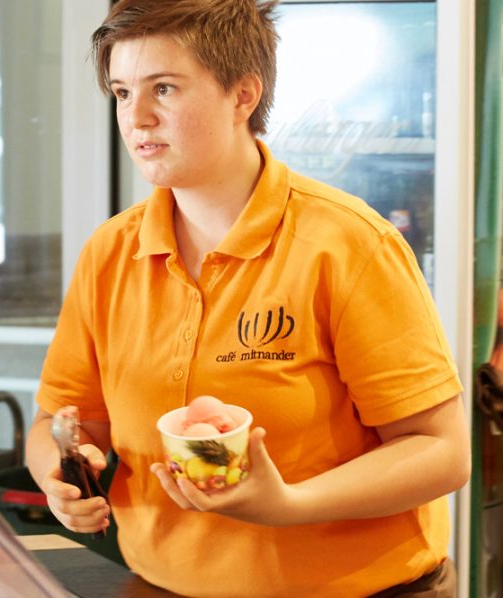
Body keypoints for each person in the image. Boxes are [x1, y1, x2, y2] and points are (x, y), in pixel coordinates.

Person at [24, 0, 471, 596]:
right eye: (124, 92)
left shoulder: (347, 244)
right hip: (159, 583)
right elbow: (63, 418)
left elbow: (441, 452)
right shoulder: (111, 251)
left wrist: (287, 504)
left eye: (165, 88)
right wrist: (60, 473)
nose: (139, 118)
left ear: (243, 95)